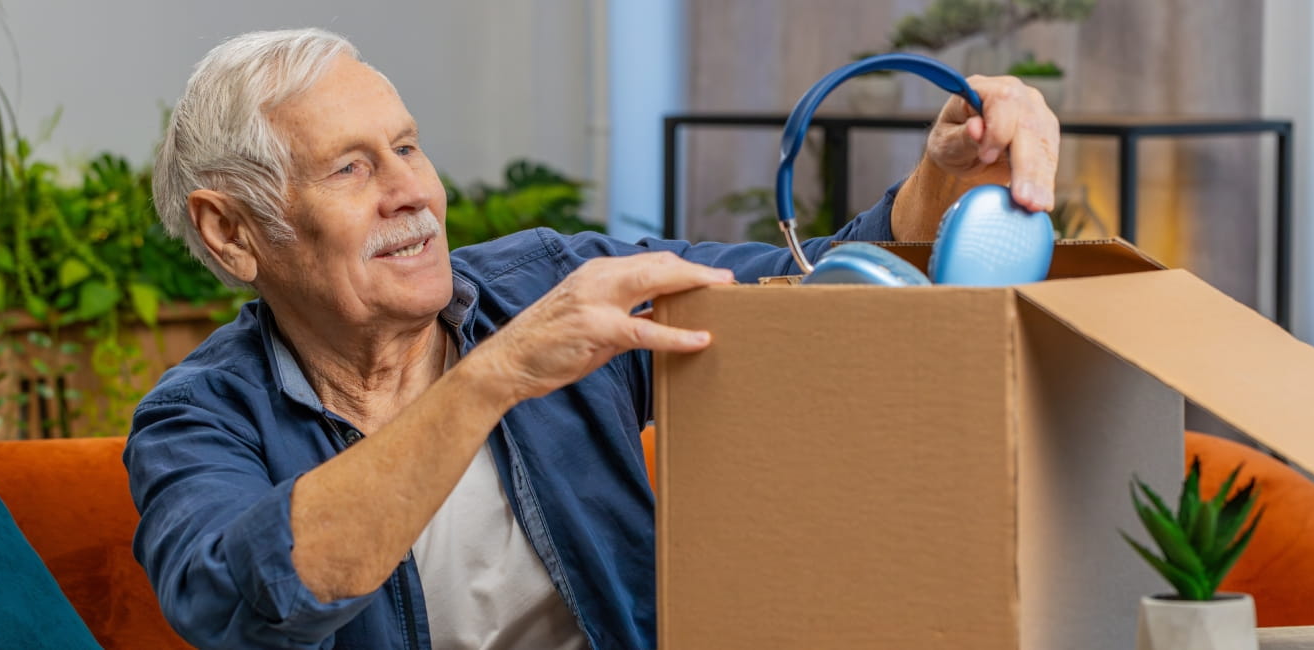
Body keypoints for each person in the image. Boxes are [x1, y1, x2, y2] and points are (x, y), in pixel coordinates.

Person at [127, 27, 1060, 650]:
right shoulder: (196, 422)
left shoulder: (544, 281)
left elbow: (809, 291)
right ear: (232, 233)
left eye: (408, 148)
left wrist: (943, 178)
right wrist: (496, 376)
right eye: (350, 167)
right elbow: (252, 599)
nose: (409, 191)